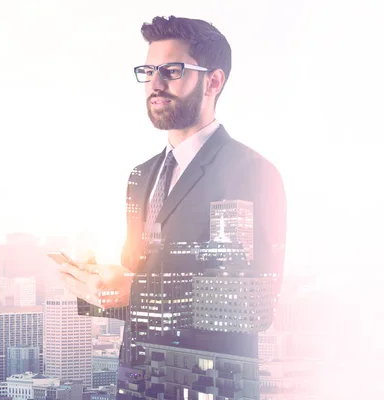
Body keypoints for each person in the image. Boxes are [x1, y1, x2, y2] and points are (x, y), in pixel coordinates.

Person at [59, 13, 286, 386]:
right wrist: (98, 289)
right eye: (148, 71)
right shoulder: (141, 176)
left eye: (172, 70)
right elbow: (143, 296)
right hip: (138, 383)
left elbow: (250, 304)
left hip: (209, 386)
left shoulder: (249, 172)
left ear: (213, 81)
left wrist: (133, 288)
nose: (155, 84)